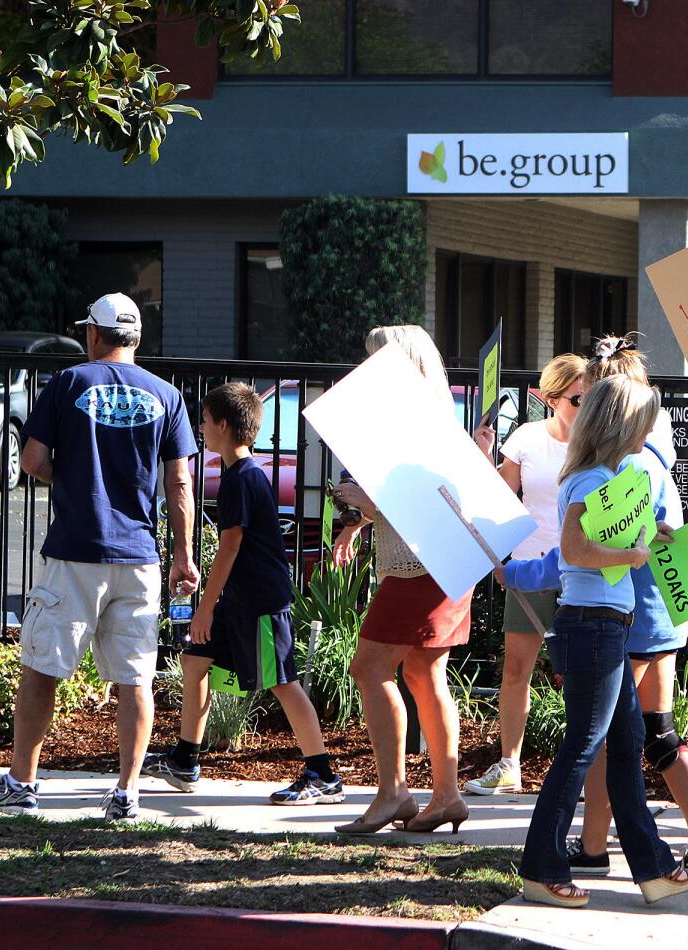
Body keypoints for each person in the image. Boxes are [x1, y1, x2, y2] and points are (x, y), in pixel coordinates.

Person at [0, 293, 199, 821]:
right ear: (135, 338)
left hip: (75, 551)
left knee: (43, 667)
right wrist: (183, 554)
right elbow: (179, 481)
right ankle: (127, 793)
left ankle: (22, 782)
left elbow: (34, 459)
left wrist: (69, 476)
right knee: (134, 677)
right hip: (139, 556)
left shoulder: (69, 383)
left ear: (93, 334)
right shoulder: (166, 395)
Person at [519, 375, 688, 908]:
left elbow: (607, 533)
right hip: (592, 625)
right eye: (646, 418)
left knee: (625, 746)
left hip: (607, 626)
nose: (652, 427)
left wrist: (653, 533)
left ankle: (654, 868)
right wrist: (631, 556)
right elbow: (575, 550)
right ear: (624, 422)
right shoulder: (589, 478)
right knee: (583, 747)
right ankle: (541, 867)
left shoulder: (611, 476)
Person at [139, 383, 344, 804]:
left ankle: (323, 774)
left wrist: (204, 610)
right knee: (195, 661)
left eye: (207, 420)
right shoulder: (241, 474)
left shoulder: (241, 479)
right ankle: (185, 760)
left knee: (283, 683)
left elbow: (230, 547)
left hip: (260, 602)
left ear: (225, 425)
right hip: (239, 601)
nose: (201, 427)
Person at [566, 335, 688, 876]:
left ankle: (591, 848)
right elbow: (671, 532)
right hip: (663, 611)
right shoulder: (656, 456)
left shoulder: (627, 466)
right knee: (659, 732)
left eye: (589, 397)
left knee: (606, 734)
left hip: (632, 612)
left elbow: (593, 545)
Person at [330, 325, 472, 836]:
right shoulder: (429, 419)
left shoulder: (415, 424)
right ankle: (445, 796)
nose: (368, 368)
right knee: (423, 675)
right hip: (441, 565)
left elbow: (415, 503)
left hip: (422, 568)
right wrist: (362, 521)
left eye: (377, 358)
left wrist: (361, 504)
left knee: (369, 669)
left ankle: (394, 793)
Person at [465, 353, 586, 796]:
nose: (586, 403)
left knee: (584, 674)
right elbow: (499, 494)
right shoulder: (527, 438)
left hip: (583, 571)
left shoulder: (598, 442)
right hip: (532, 568)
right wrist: (482, 457)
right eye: (578, 397)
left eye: (591, 395)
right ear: (552, 398)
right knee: (516, 668)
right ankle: (509, 764)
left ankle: (586, 770)